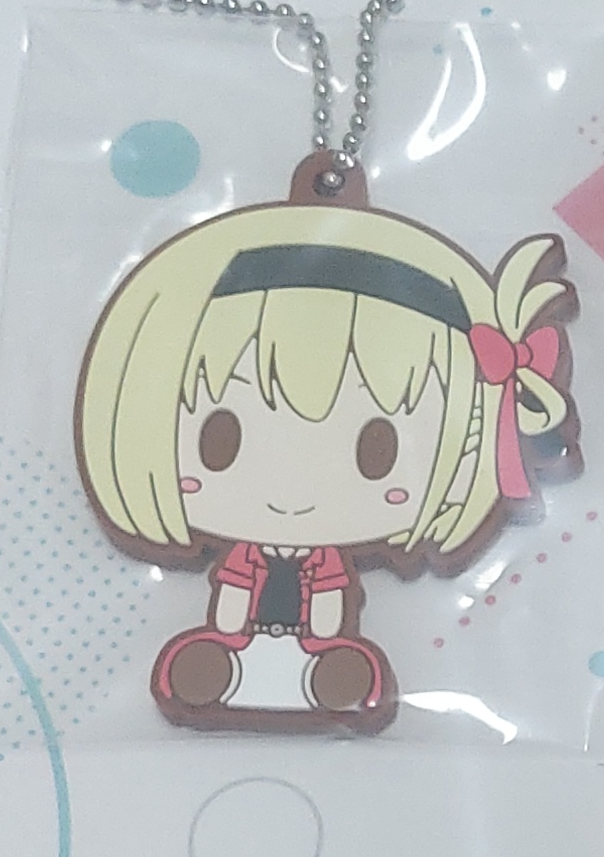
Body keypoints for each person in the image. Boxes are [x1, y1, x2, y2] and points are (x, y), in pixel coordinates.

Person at [75, 188, 573, 734]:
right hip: (236, 639)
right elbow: (235, 591)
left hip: (318, 645)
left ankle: (330, 674)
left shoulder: (329, 565)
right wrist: (231, 630)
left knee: (331, 663)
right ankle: (220, 667)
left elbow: (330, 599)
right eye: (221, 441)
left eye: (376, 452)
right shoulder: (246, 557)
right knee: (223, 653)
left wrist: (323, 637)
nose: (291, 491)